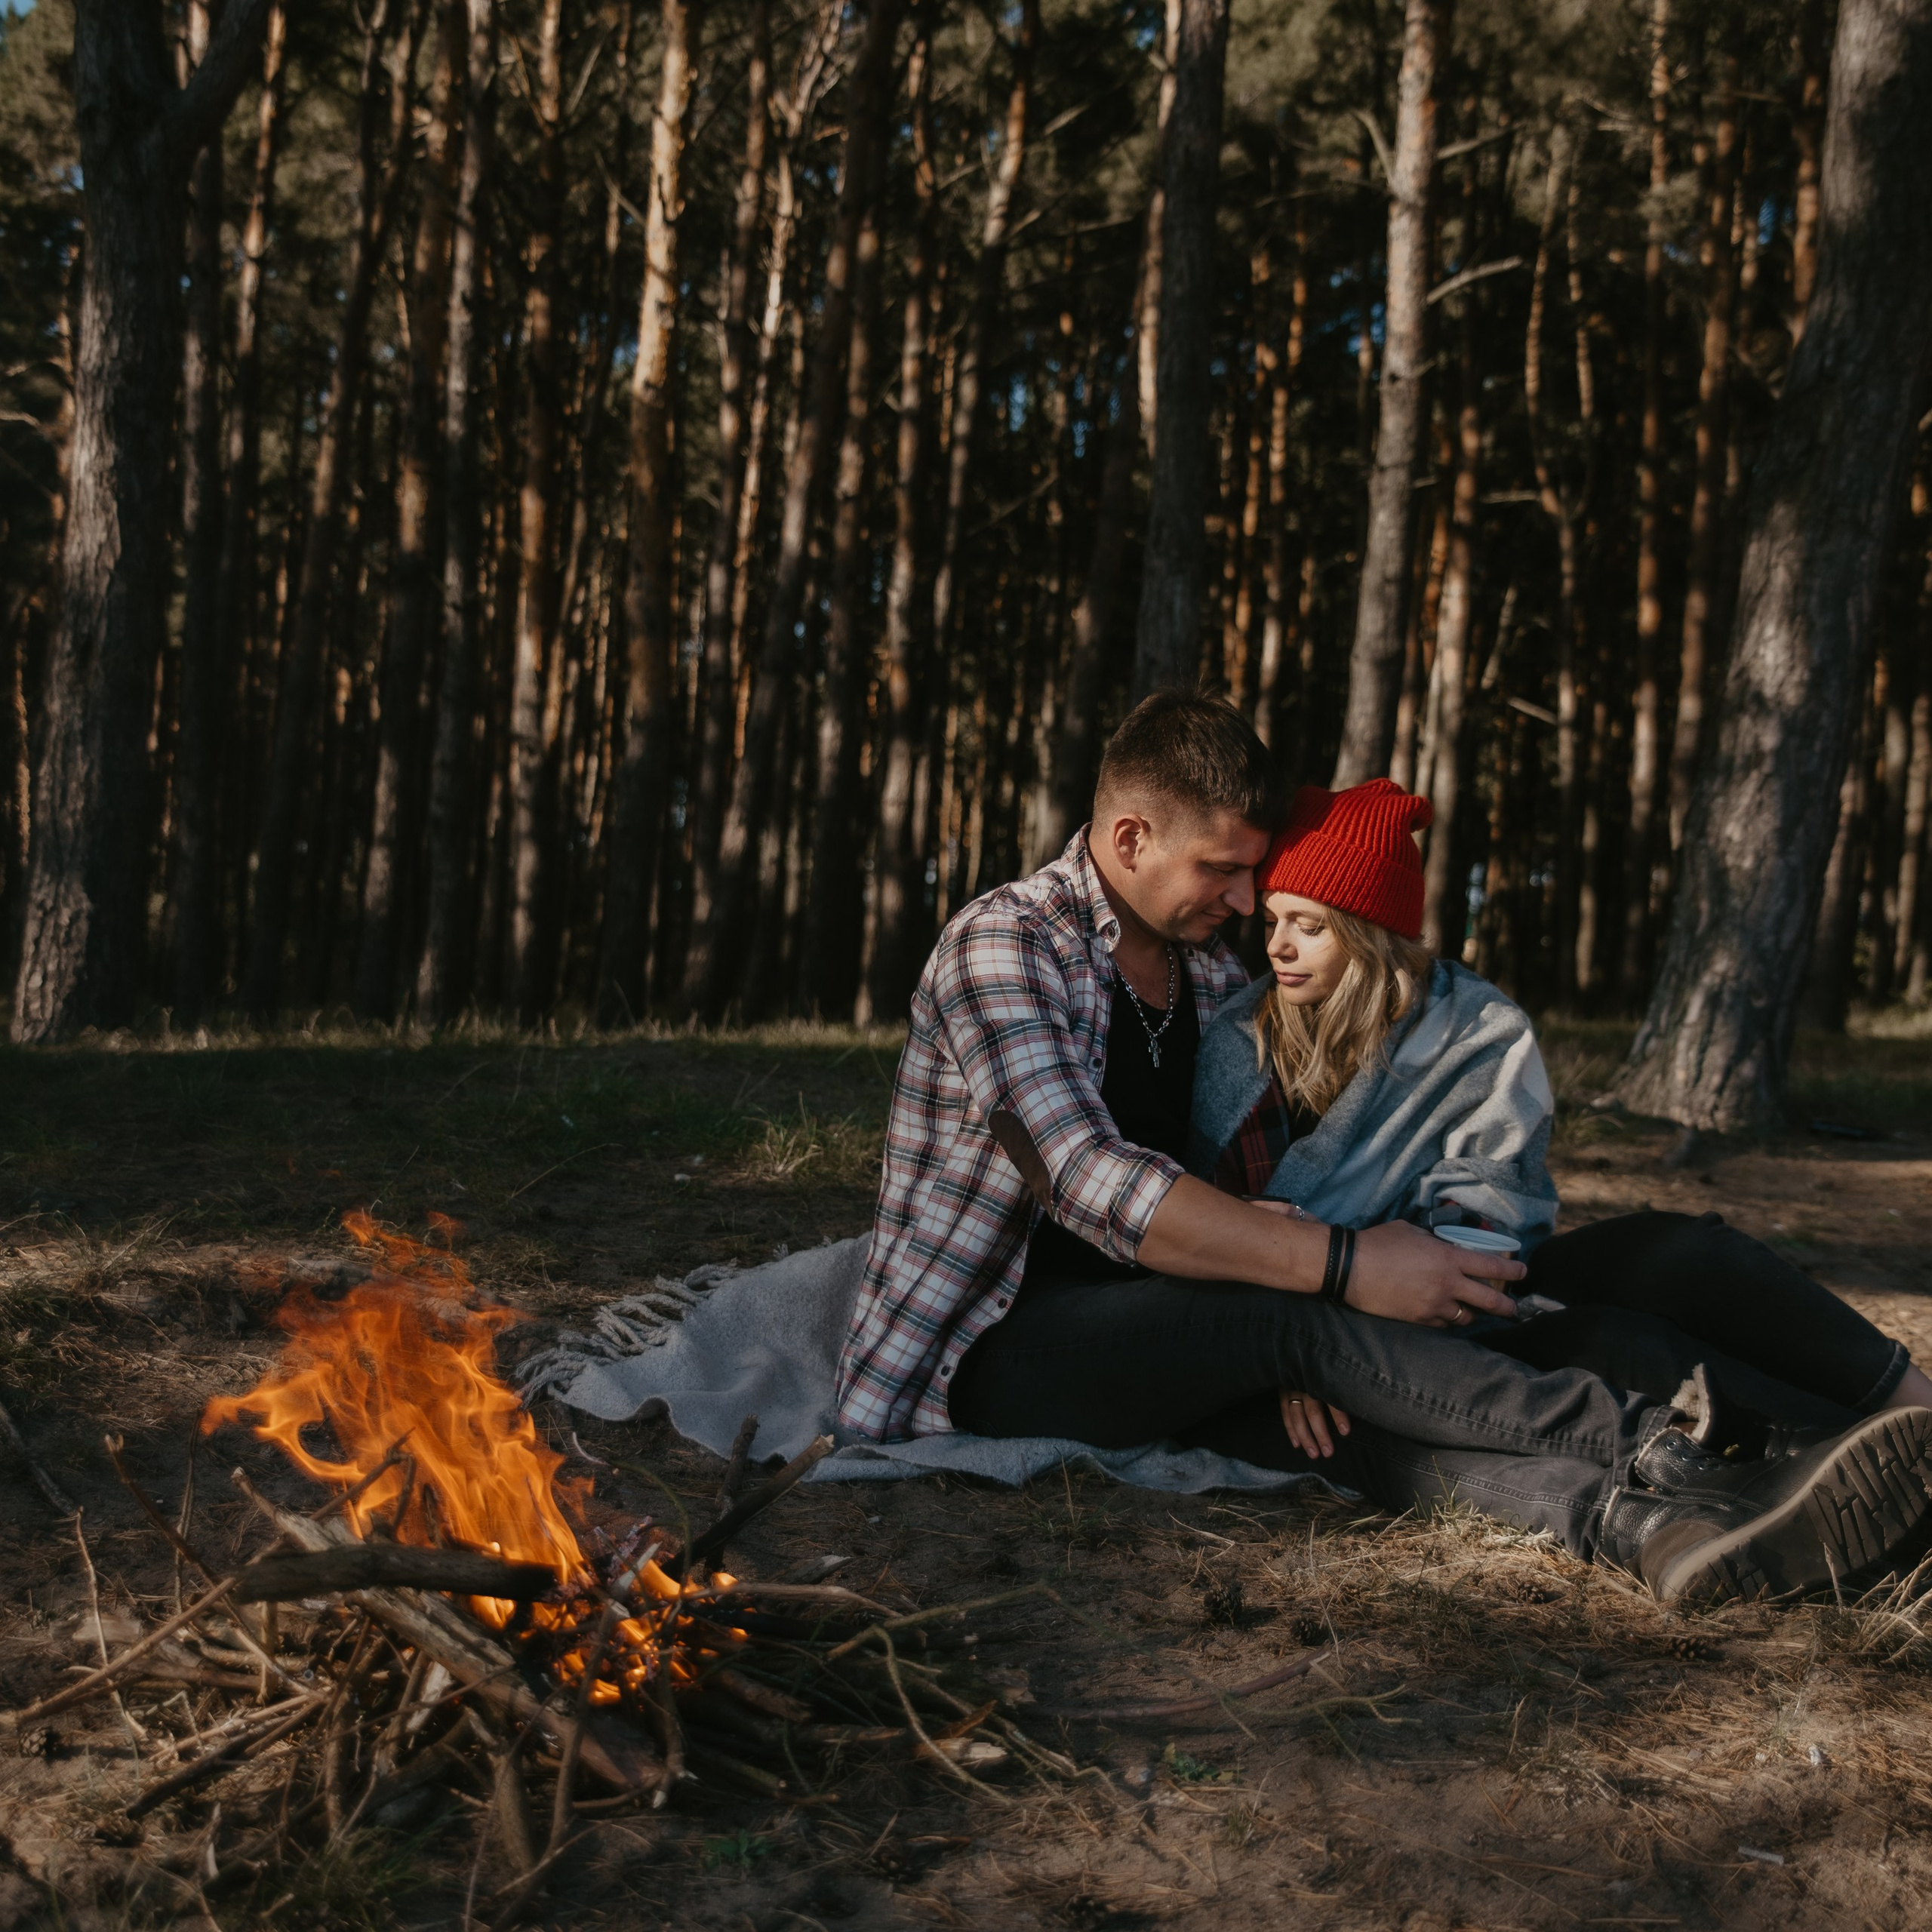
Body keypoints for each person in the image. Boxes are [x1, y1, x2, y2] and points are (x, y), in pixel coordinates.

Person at [834, 697, 1932, 1604]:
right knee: (1293, 1318)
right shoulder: (1004, 946)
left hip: (1198, 1309)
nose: (1248, 902)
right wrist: (1342, 1273)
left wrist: (1363, 1265)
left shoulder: (1209, 969)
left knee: (1595, 1281)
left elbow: (1369, 1060)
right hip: (1002, 1348)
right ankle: (1679, 1459)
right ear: (1131, 839)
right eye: (1224, 871)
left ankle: (1687, 1518)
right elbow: (1082, 1177)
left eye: (1256, 879)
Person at [1191, 776, 1932, 1466]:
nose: (1278, 944)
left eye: (1309, 924)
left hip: (1450, 1298)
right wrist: (1304, 1345)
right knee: (1619, 1342)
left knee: (1677, 1248)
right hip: (1322, 1330)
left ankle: (1907, 1415)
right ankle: (1844, 1465)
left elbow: (1483, 1207)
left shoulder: (1474, 1030)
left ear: (1370, 933)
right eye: (1276, 918)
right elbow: (1216, 1224)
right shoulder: (1237, 1042)